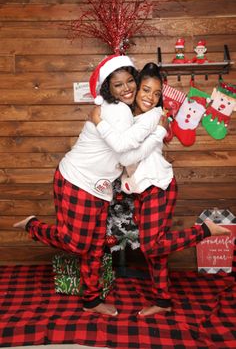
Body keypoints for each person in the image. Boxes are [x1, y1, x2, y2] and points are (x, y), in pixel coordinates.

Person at [13, 54, 163, 317]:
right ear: (108, 88)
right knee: (79, 244)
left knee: (94, 248)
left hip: (98, 187)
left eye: (131, 81)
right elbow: (126, 156)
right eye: (119, 85)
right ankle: (33, 226)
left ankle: (91, 301)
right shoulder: (116, 112)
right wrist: (158, 131)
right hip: (77, 180)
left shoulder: (124, 111)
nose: (127, 88)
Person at [90, 62, 231, 317]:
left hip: (159, 186)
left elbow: (125, 154)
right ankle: (163, 301)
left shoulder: (154, 116)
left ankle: (204, 230)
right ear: (137, 87)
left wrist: (101, 123)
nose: (150, 97)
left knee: (152, 247)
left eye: (156, 94)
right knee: (157, 250)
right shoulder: (132, 115)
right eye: (146, 90)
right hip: (144, 189)